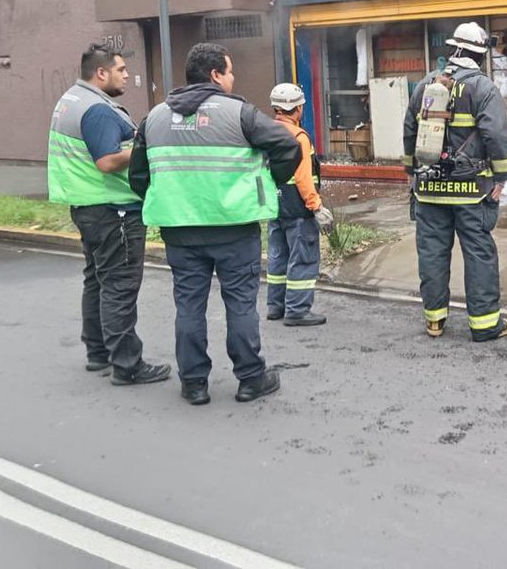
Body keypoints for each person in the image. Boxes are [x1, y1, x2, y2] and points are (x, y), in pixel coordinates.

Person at [129, 43, 301, 406]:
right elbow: (288, 147)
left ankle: (193, 384)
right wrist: (269, 182)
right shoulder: (240, 114)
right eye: (230, 70)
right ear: (215, 75)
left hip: (180, 229)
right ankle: (251, 379)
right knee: (240, 303)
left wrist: (170, 197)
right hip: (233, 226)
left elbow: (138, 177)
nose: (233, 77)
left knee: (189, 305)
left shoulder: (155, 118)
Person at [47, 44, 170, 385]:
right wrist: (144, 147)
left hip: (88, 206)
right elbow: (106, 161)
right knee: (119, 284)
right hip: (112, 208)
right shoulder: (97, 110)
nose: (127, 74)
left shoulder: (71, 99)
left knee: (97, 279)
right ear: (101, 73)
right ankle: (127, 364)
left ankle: (98, 351)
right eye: (120, 69)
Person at [402, 21, 507, 342]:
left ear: (453, 49)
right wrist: (502, 176)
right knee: (478, 253)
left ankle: (434, 321)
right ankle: (484, 325)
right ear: (479, 55)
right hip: (472, 189)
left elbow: (410, 131)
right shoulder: (483, 89)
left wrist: (412, 173)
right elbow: (496, 136)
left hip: (428, 189)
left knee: (432, 252)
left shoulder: (425, 84)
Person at [265, 82, 334, 326]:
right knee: (303, 258)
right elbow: (304, 177)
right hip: (298, 208)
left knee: (277, 257)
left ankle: (276, 306)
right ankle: (297, 310)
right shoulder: (299, 137)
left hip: (274, 205)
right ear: (297, 109)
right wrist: (316, 206)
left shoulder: (266, 132)